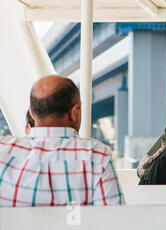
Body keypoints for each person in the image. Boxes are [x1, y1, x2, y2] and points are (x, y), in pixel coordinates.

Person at [0, 75, 124, 207]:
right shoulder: (96, 156)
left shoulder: (3, 150)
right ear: (74, 112)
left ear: (32, 113)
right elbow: (113, 221)